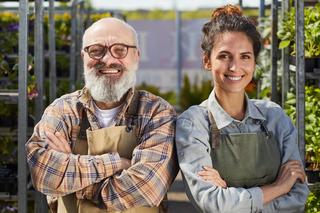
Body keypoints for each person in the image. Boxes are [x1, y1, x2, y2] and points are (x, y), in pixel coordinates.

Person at [26, 17, 177, 213]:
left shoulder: (156, 112)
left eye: (120, 49)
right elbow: (43, 173)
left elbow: (146, 187)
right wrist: (118, 163)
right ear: (83, 57)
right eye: (96, 50)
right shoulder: (62, 110)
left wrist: (72, 179)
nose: (107, 59)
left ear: (136, 56)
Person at [175, 5, 309, 213]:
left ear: (255, 62)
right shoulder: (193, 123)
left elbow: (298, 198)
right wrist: (279, 187)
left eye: (245, 56)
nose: (234, 67)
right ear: (207, 61)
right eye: (224, 56)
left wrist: (230, 195)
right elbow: (212, 203)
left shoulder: (274, 116)